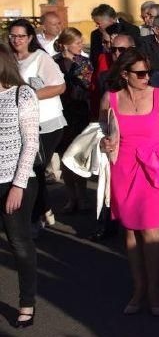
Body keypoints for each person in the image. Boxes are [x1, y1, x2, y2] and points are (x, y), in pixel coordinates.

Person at [99, 49, 159, 316]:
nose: (147, 78)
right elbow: (102, 134)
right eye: (141, 73)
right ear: (125, 74)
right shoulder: (109, 99)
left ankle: (154, 289)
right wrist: (104, 143)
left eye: (149, 72)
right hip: (122, 167)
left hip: (153, 168)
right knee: (131, 230)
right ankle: (139, 287)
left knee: (151, 228)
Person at [8, 19, 66, 230]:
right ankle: (44, 209)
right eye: (12, 36)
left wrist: (29, 95)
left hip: (46, 122)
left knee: (34, 169)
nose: (16, 40)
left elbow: (60, 86)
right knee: (33, 170)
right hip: (21, 121)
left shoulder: (40, 58)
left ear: (30, 37)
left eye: (21, 36)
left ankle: (35, 218)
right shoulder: (9, 59)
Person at [0, 44, 40, 328]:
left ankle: (27, 302)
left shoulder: (22, 94)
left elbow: (31, 143)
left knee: (19, 244)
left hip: (17, 182)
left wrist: (18, 185)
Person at [53, 28, 93, 212]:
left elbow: (89, 87)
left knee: (78, 156)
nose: (80, 46)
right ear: (66, 44)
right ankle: (71, 197)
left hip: (79, 113)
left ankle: (83, 196)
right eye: (77, 43)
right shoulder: (53, 62)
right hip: (60, 113)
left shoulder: (84, 62)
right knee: (63, 157)